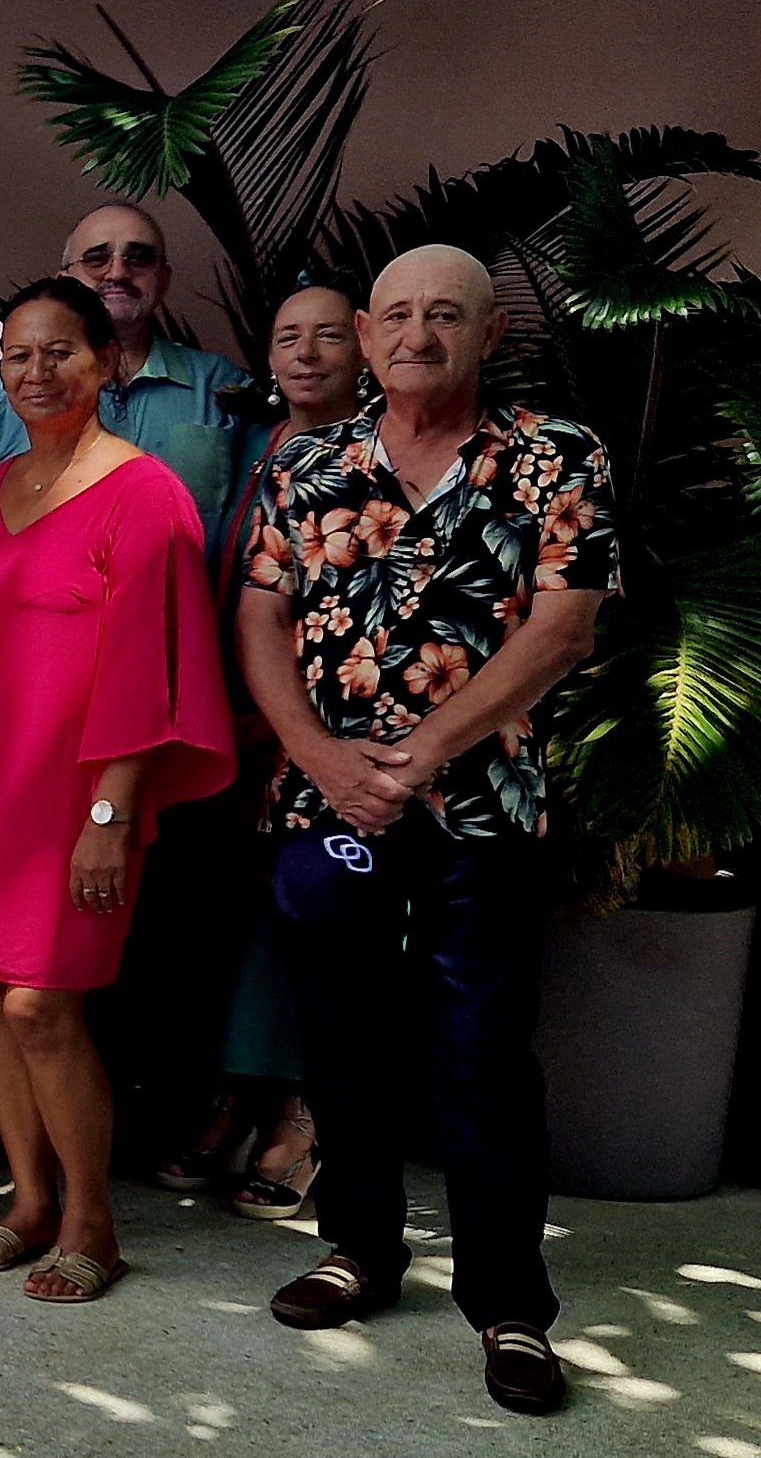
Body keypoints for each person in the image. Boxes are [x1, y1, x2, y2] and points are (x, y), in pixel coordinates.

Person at [240, 244, 614, 1417]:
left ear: (489, 333)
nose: (416, 335)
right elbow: (260, 618)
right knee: (342, 1039)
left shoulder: (558, 457)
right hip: (324, 803)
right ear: (363, 331)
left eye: (443, 315)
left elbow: (563, 631)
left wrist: (417, 755)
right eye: (395, 316)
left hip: (481, 808)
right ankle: (359, 1250)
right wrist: (319, 755)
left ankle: (510, 1309)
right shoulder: (306, 465)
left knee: (481, 1053)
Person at [0, 277, 236, 1303]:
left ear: (106, 362)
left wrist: (111, 815)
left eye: (62, 350)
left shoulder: (147, 495)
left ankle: (94, 1220)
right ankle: (28, 1202)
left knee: (43, 1004)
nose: (37, 370)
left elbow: (151, 671)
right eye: (17, 354)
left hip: (77, 795)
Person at [153, 278, 368, 1218]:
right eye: (290, 338)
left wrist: (285, 718)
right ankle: (233, 1092)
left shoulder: (375, 452)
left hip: (328, 724)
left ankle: (299, 1110)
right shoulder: (250, 445)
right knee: (232, 916)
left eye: (328, 336)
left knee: (307, 910)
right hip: (230, 716)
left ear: (361, 346)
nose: (308, 354)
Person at [0, 204, 253, 547]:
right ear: (63, 281)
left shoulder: (217, 385)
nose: (117, 273)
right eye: (97, 259)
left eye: (139, 259)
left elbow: (260, 527)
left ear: (164, 277)